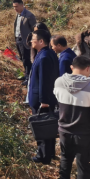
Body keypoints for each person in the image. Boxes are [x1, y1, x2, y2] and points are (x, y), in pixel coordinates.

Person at [28, 29, 59, 165]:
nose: (31, 41)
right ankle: (50, 153)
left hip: (43, 99)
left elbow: (44, 81)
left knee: (43, 127)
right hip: (46, 97)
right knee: (49, 126)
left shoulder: (45, 57)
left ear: (41, 41)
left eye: (33, 39)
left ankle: (43, 156)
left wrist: (44, 101)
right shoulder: (48, 53)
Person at [13, 0, 37, 84]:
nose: (15, 9)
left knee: (27, 59)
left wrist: (31, 41)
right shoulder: (18, 15)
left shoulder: (29, 16)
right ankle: (26, 74)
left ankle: (29, 77)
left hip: (26, 42)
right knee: (23, 58)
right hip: (18, 40)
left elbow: (34, 30)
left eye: (16, 6)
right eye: (14, 7)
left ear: (22, 5)